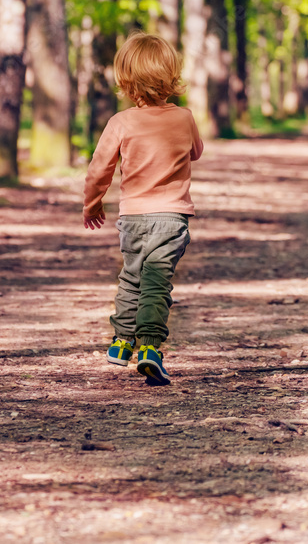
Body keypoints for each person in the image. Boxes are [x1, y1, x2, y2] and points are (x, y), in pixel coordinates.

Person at [83, 32, 204, 387]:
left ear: (126, 80)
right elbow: (195, 152)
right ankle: (150, 348)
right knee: (156, 283)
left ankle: (121, 343)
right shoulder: (184, 117)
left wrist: (92, 204)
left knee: (131, 277)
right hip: (171, 217)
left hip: (132, 217)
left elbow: (98, 170)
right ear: (171, 76)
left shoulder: (120, 123)